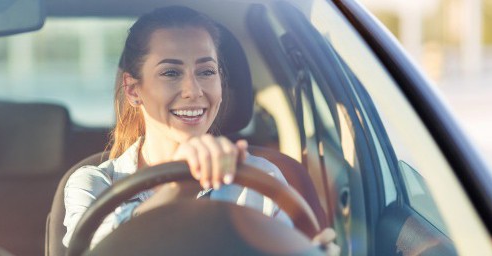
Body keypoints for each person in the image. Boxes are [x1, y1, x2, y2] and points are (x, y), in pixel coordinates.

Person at [62, 6, 338, 254]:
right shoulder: (93, 185)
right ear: (133, 90)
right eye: (171, 73)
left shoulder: (262, 178)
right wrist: (179, 189)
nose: (193, 91)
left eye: (206, 72)